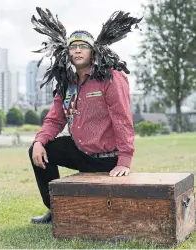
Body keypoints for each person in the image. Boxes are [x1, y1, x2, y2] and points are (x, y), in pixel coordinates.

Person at [29, 8, 142, 224]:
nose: (78, 50)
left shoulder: (110, 77)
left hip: (107, 158)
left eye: (83, 46)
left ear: (94, 51)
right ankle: (56, 210)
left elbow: (122, 119)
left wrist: (125, 160)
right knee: (40, 152)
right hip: (81, 151)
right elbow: (54, 119)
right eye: (73, 47)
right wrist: (38, 141)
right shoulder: (67, 83)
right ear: (67, 52)